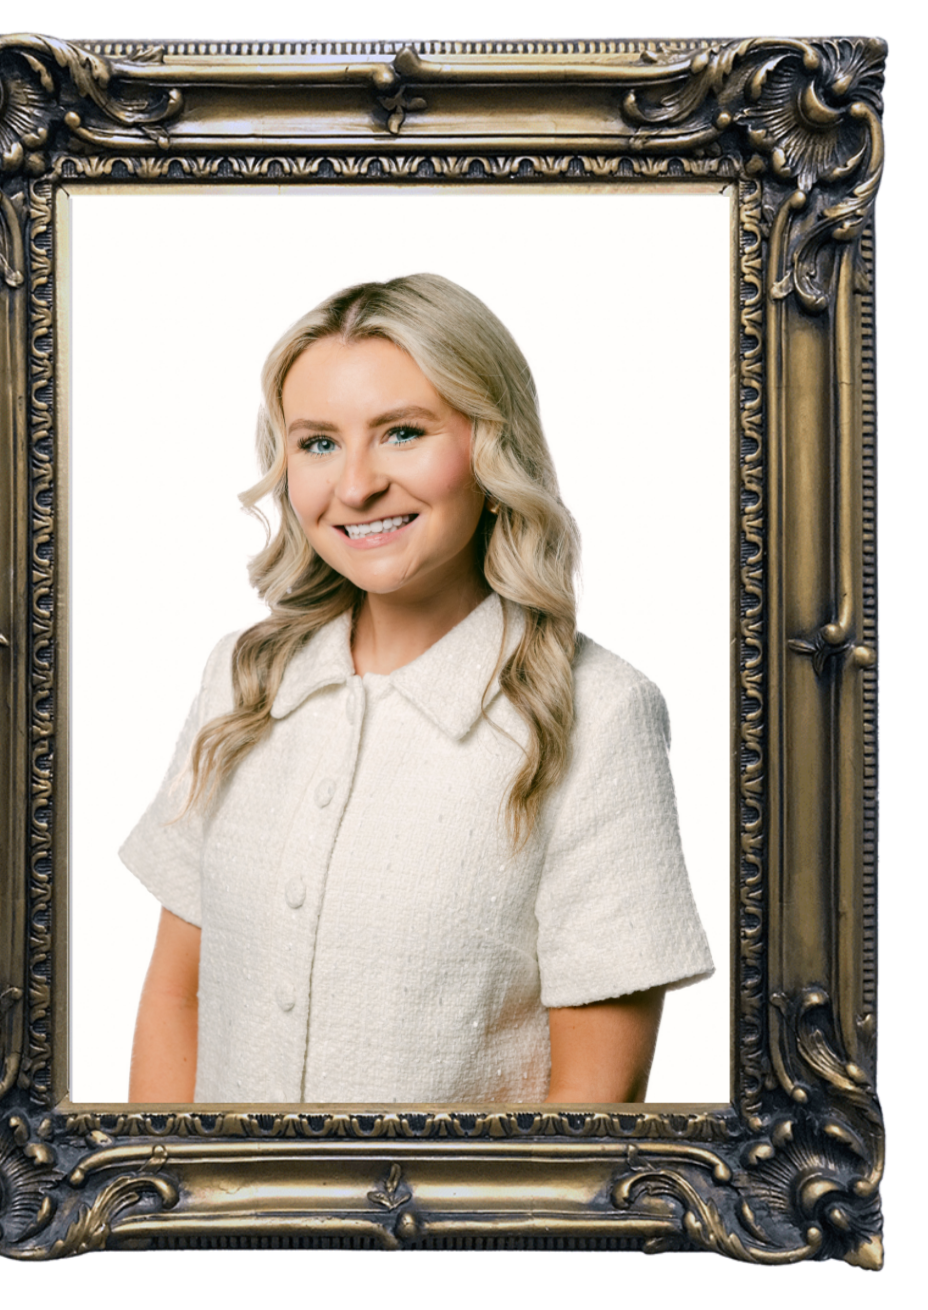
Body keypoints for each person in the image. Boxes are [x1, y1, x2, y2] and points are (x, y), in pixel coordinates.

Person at [121, 273, 713, 1105]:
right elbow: (176, 997)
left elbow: (592, 1104)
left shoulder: (597, 712)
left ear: (490, 443)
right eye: (317, 442)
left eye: (402, 433)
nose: (355, 485)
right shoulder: (242, 677)